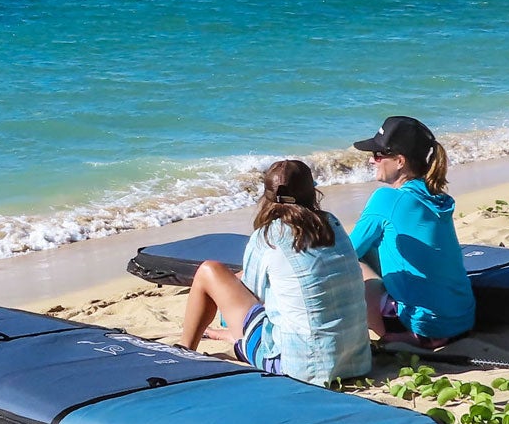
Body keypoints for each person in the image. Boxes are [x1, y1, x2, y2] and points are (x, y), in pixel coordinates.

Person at [178, 159, 371, 385]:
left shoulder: (268, 236)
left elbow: (253, 296)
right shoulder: (332, 224)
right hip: (357, 361)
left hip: (299, 368)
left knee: (208, 271)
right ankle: (233, 341)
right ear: (313, 193)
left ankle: (183, 352)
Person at [350, 115, 475, 348]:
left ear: (399, 160)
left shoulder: (386, 199)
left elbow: (346, 253)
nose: (372, 161)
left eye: (378, 155)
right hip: (462, 318)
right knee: (377, 247)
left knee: (355, 264)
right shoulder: (438, 197)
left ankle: (386, 335)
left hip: (424, 326)